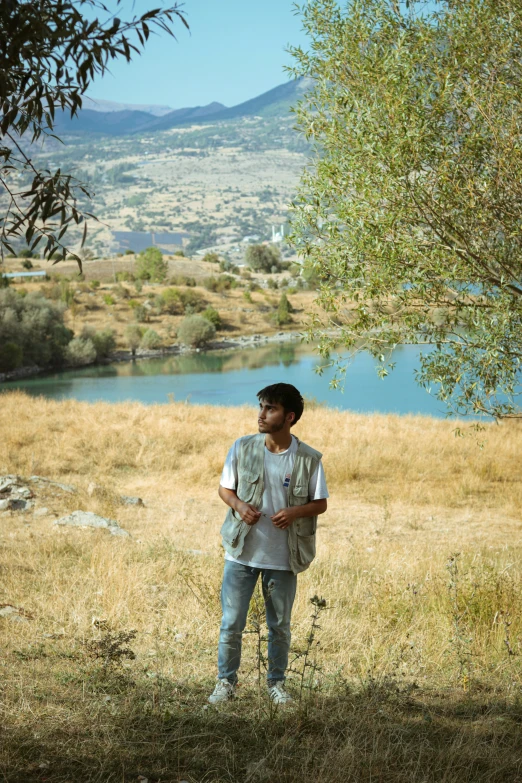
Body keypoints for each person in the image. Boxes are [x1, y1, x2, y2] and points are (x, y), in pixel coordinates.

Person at [208, 383, 328, 705]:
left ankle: (276, 685)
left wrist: (294, 512)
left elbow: (320, 503)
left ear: (289, 417)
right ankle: (226, 684)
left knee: (280, 626)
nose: (261, 415)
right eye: (261, 406)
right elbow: (225, 489)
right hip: (241, 553)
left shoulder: (308, 459)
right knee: (231, 622)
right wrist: (239, 506)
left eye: (269, 408)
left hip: (284, 557)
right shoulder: (242, 447)